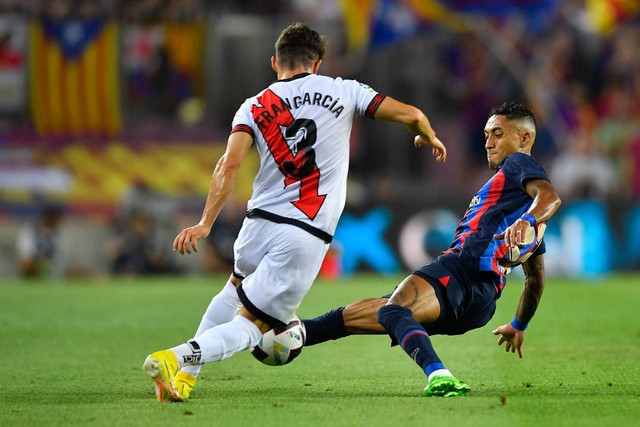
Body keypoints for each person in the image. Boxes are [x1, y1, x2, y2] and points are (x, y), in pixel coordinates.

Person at [142, 22, 447, 402]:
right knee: (253, 327)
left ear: (275, 63)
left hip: (257, 226)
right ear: (317, 63)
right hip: (303, 233)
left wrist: (206, 222)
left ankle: (184, 378)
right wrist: (427, 134)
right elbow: (412, 113)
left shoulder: (253, 106)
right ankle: (175, 357)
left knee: (232, 293)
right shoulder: (344, 90)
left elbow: (229, 164)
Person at [302, 101, 562, 397]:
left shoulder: (518, 165)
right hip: (482, 304)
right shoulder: (527, 220)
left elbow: (551, 196)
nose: (488, 143)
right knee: (377, 312)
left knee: (394, 311)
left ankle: (438, 374)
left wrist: (527, 218)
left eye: (498, 134)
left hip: (463, 269)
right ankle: (297, 333)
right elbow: (535, 280)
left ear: (524, 139)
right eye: (487, 134)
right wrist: (518, 325)